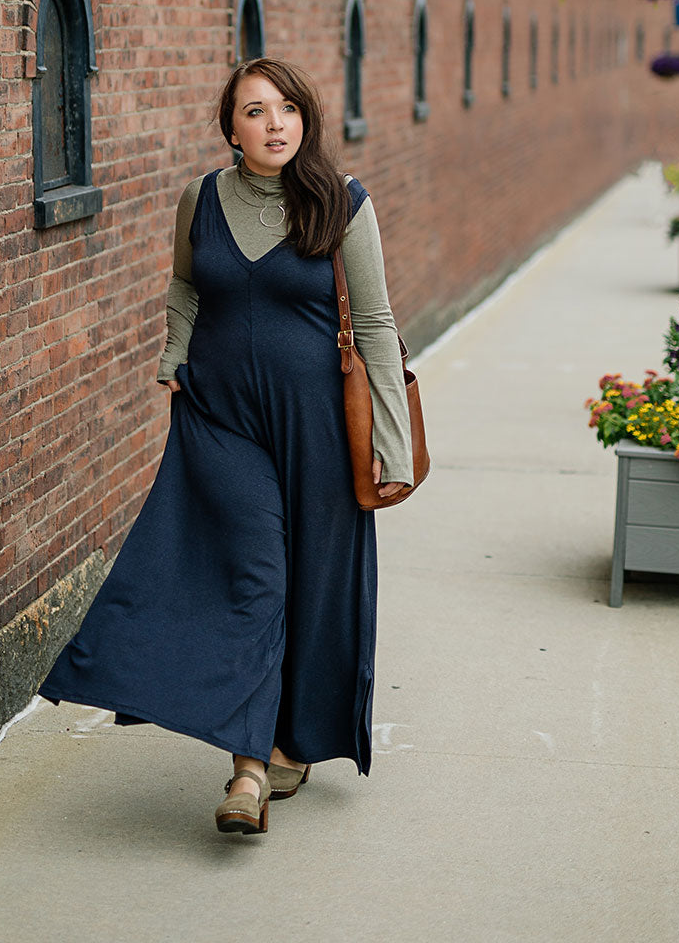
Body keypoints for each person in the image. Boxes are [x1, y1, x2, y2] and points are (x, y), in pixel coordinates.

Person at [39, 57, 413, 834]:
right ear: (230, 128)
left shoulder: (341, 204)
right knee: (256, 579)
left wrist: (391, 441)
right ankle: (246, 772)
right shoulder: (199, 199)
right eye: (255, 111)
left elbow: (374, 326)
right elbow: (185, 286)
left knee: (311, 586)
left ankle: (289, 739)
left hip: (315, 427)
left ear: (305, 120)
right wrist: (174, 357)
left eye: (287, 109)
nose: (274, 123)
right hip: (221, 421)